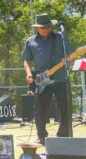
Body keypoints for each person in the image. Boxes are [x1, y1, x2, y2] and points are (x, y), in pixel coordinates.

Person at [22, 13, 73, 145]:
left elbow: (70, 55)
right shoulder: (30, 41)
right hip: (41, 79)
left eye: (49, 26)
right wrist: (28, 73)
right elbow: (26, 60)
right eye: (44, 27)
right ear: (38, 28)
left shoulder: (61, 37)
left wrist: (68, 61)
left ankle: (64, 135)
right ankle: (41, 136)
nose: (47, 29)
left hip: (61, 77)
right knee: (40, 109)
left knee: (65, 108)